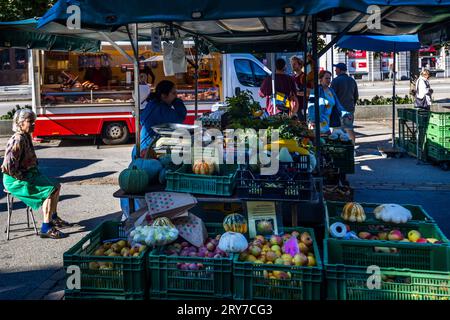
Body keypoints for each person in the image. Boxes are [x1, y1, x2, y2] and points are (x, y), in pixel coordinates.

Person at [2, 109, 72, 239]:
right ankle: (46, 227)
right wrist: (24, 178)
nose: (33, 124)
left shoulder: (26, 136)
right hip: (15, 180)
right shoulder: (17, 139)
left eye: (34, 121)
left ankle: (53, 217)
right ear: (20, 123)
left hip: (27, 175)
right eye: (30, 122)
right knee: (50, 190)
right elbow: (7, 167)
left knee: (57, 185)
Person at [132, 80, 187, 159]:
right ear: (164, 95)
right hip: (146, 152)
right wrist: (176, 101)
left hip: (140, 148)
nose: (176, 95)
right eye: (173, 93)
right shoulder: (160, 109)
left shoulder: (153, 103)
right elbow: (180, 117)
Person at [307, 70, 348, 134]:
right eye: (326, 78)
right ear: (321, 79)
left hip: (328, 123)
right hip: (317, 123)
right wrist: (312, 120)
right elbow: (311, 105)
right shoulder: (315, 90)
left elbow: (338, 105)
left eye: (329, 78)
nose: (328, 80)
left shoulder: (331, 91)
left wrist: (345, 113)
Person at [331, 62, 359, 143]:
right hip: (350, 109)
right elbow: (356, 96)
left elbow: (332, 96)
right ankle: (352, 146)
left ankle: (343, 149)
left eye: (336, 68)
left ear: (339, 70)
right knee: (349, 128)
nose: (335, 70)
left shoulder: (335, 81)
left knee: (338, 130)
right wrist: (352, 106)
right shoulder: (352, 80)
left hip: (339, 111)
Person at [291, 56, 306, 121]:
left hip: (302, 106)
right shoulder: (293, 77)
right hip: (294, 107)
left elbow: (308, 93)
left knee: (302, 125)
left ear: (300, 65)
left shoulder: (304, 76)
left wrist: (295, 93)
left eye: (294, 64)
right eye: (292, 64)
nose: (292, 66)